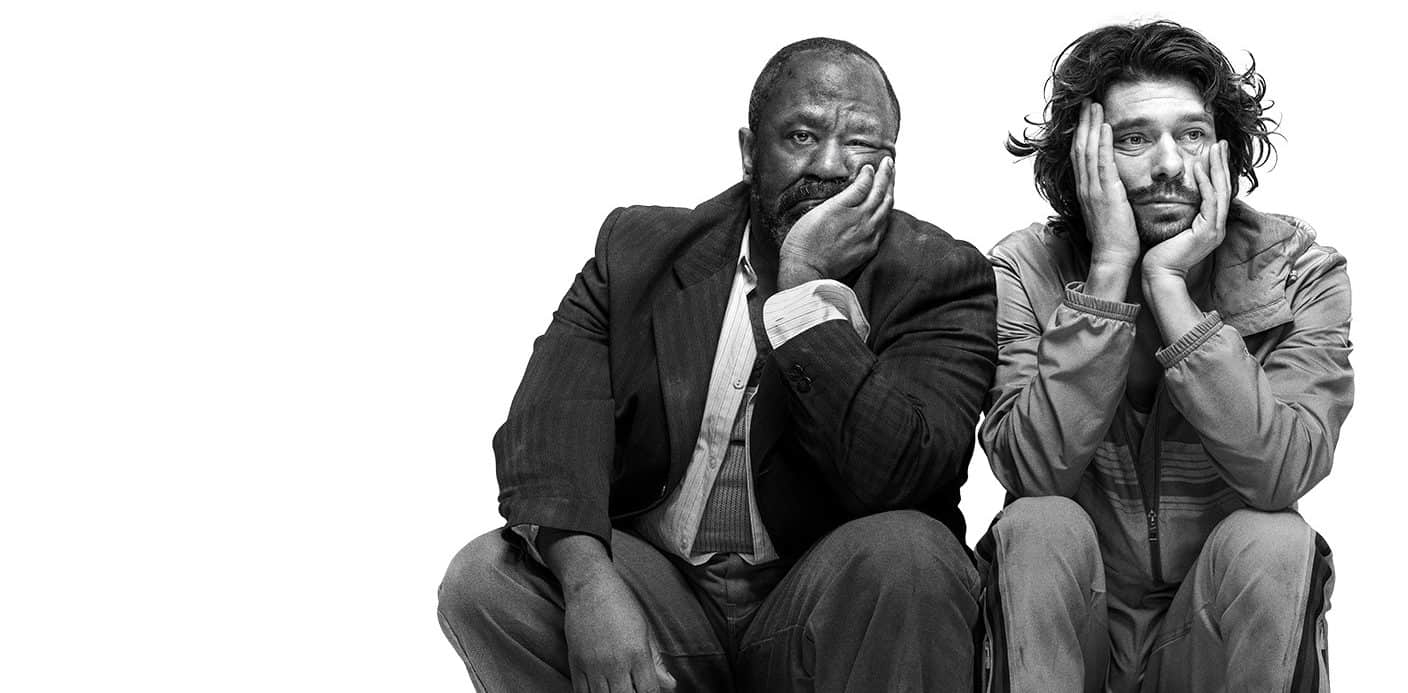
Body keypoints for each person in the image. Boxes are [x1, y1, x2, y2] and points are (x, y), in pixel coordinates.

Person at [437, 37, 994, 692]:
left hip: (823, 602)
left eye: (861, 144)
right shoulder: (640, 250)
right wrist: (590, 587)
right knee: (487, 579)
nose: (829, 165)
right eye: (802, 136)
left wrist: (805, 289)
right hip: (664, 597)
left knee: (912, 554)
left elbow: (903, 476)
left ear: (892, 163)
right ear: (750, 152)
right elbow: (549, 427)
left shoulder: (940, 276)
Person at [978, 20, 1352, 692]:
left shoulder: (1299, 273)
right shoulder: (1025, 269)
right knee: (1038, 522)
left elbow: (1283, 473)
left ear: (1225, 151)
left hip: (1210, 637)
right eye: (1133, 139)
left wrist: (1169, 287)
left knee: (1274, 538)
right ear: (1083, 157)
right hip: (1078, 637)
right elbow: (1032, 469)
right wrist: (1110, 271)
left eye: (1192, 135)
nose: (1170, 165)